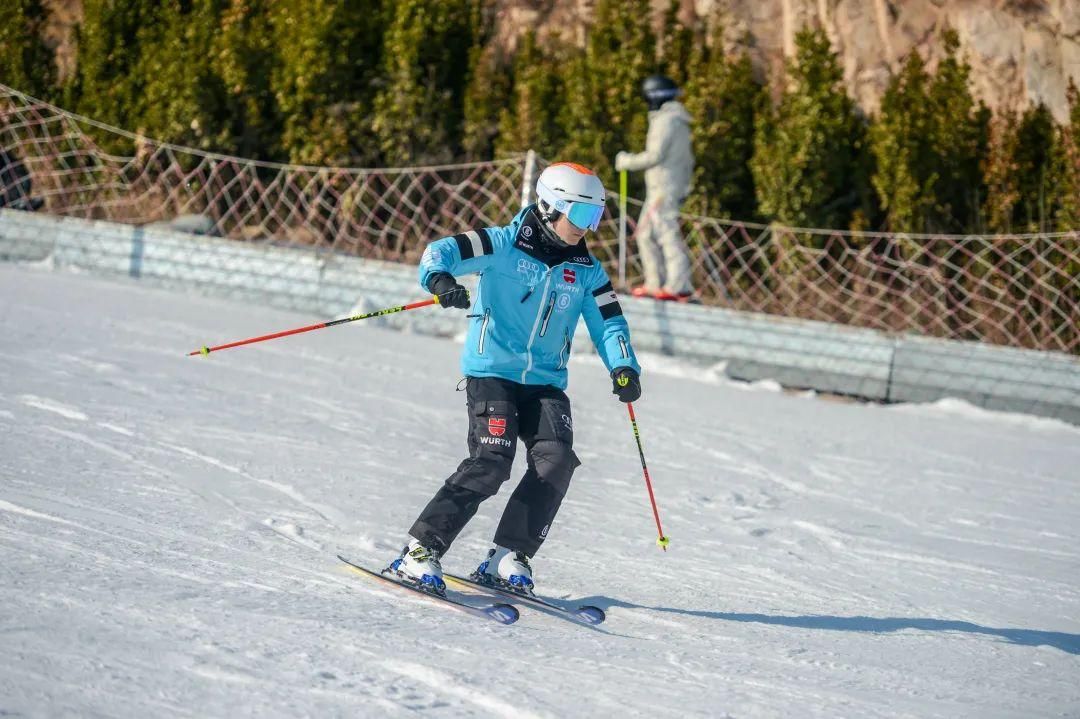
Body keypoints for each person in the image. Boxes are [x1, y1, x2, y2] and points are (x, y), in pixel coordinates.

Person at [388, 162, 642, 595]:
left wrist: (623, 366)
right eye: (580, 216)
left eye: (595, 218)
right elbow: (439, 250)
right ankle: (420, 549)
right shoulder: (501, 243)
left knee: (556, 461)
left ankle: (507, 555)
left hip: (545, 382)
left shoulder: (586, 269)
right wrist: (441, 280)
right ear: (549, 206)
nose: (588, 228)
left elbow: (609, 322)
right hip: (493, 373)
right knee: (491, 460)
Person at [615, 75, 695, 301]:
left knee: (665, 233)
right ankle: (655, 283)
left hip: (663, 188)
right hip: (667, 186)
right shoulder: (676, 120)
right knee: (646, 233)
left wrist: (626, 161)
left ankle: (678, 285)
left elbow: (655, 156)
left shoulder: (666, 121)